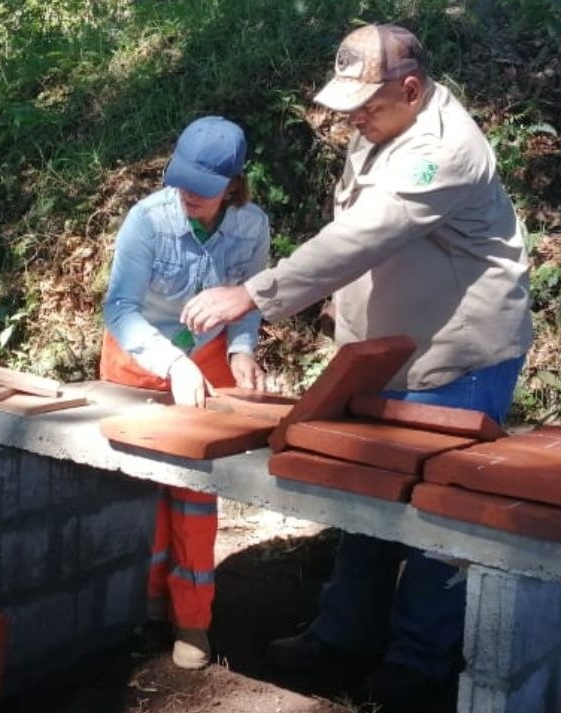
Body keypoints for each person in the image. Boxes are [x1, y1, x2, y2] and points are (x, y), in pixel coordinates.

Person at [180, 25, 533, 705]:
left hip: (458, 354)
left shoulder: (444, 150)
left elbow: (367, 233)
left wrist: (254, 293)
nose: (354, 120)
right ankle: (344, 633)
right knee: (366, 495)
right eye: (349, 108)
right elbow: (359, 230)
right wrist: (343, 306)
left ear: (409, 88)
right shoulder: (383, 124)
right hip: (387, 351)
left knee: (439, 515)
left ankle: (416, 664)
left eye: (366, 106)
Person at [101, 116, 271, 669]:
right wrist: (172, 363)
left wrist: (243, 349)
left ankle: (192, 619)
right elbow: (120, 307)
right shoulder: (147, 220)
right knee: (143, 490)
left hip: (209, 361)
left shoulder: (251, 227)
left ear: (234, 184)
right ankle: (146, 601)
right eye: (182, 179)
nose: (189, 194)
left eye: (205, 185)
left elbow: (248, 301)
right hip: (139, 361)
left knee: (195, 495)